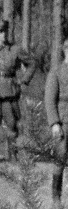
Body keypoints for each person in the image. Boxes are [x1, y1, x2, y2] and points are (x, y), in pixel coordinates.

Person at [44, 39, 68, 206]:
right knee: (60, 158)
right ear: (67, 51)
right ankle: (56, 198)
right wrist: (54, 123)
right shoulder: (56, 73)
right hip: (64, 122)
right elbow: (49, 100)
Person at [0, 19, 33, 160]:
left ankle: (12, 155)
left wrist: (24, 80)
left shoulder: (15, 50)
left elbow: (32, 63)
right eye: (0, 32)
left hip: (9, 91)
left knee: (12, 123)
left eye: (3, 32)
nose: (2, 35)